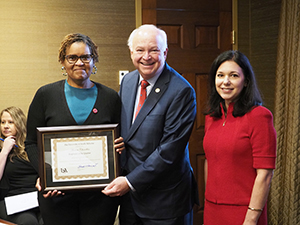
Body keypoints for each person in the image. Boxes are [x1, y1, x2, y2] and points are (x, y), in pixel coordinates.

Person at [102, 24, 199, 225]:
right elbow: (128, 130)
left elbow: (168, 152)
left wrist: (129, 182)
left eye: (153, 50)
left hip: (165, 201)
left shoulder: (181, 91)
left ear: (165, 52)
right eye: (140, 50)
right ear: (131, 53)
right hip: (131, 200)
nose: (146, 56)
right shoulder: (128, 81)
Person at [25, 33, 123, 225]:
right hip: (57, 194)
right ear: (63, 61)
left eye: (85, 57)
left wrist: (120, 147)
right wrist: (46, 176)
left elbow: (122, 139)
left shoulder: (111, 98)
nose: (79, 62)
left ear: (93, 60)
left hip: (100, 196)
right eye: (72, 57)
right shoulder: (45, 95)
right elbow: (30, 143)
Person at [203, 50, 277, 225]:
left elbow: (265, 174)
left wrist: (250, 220)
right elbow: (210, 161)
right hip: (212, 210)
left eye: (234, 75)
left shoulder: (259, 116)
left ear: (246, 82)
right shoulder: (212, 117)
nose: (225, 81)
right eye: (220, 75)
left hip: (244, 212)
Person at [0, 106, 41, 225]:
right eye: (3, 122)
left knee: (49, 219)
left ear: (20, 123)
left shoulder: (31, 146)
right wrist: (5, 151)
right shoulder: (1, 149)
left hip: (35, 199)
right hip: (12, 200)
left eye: (10, 122)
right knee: (29, 221)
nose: (5, 126)